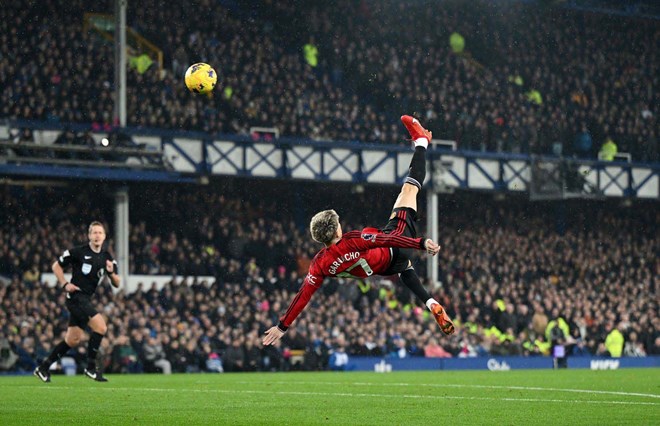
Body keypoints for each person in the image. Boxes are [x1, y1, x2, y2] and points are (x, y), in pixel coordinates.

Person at [263, 115, 455, 347]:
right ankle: (422, 142)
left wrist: (282, 326)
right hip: (394, 245)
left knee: (405, 269)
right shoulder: (353, 240)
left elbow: (303, 296)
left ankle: (430, 302)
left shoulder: (320, 263)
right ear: (336, 230)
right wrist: (421, 243)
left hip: (383, 268)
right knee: (409, 189)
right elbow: (387, 238)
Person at [34, 221, 120, 382]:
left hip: (85, 299)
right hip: (76, 298)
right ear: (89, 236)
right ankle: (90, 368)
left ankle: (43, 368)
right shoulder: (78, 252)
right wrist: (65, 284)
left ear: (104, 236)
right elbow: (56, 266)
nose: (97, 236)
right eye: (94, 232)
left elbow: (117, 283)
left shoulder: (107, 257)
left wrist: (111, 273)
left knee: (72, 340)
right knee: (101, 327)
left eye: (100, 233)